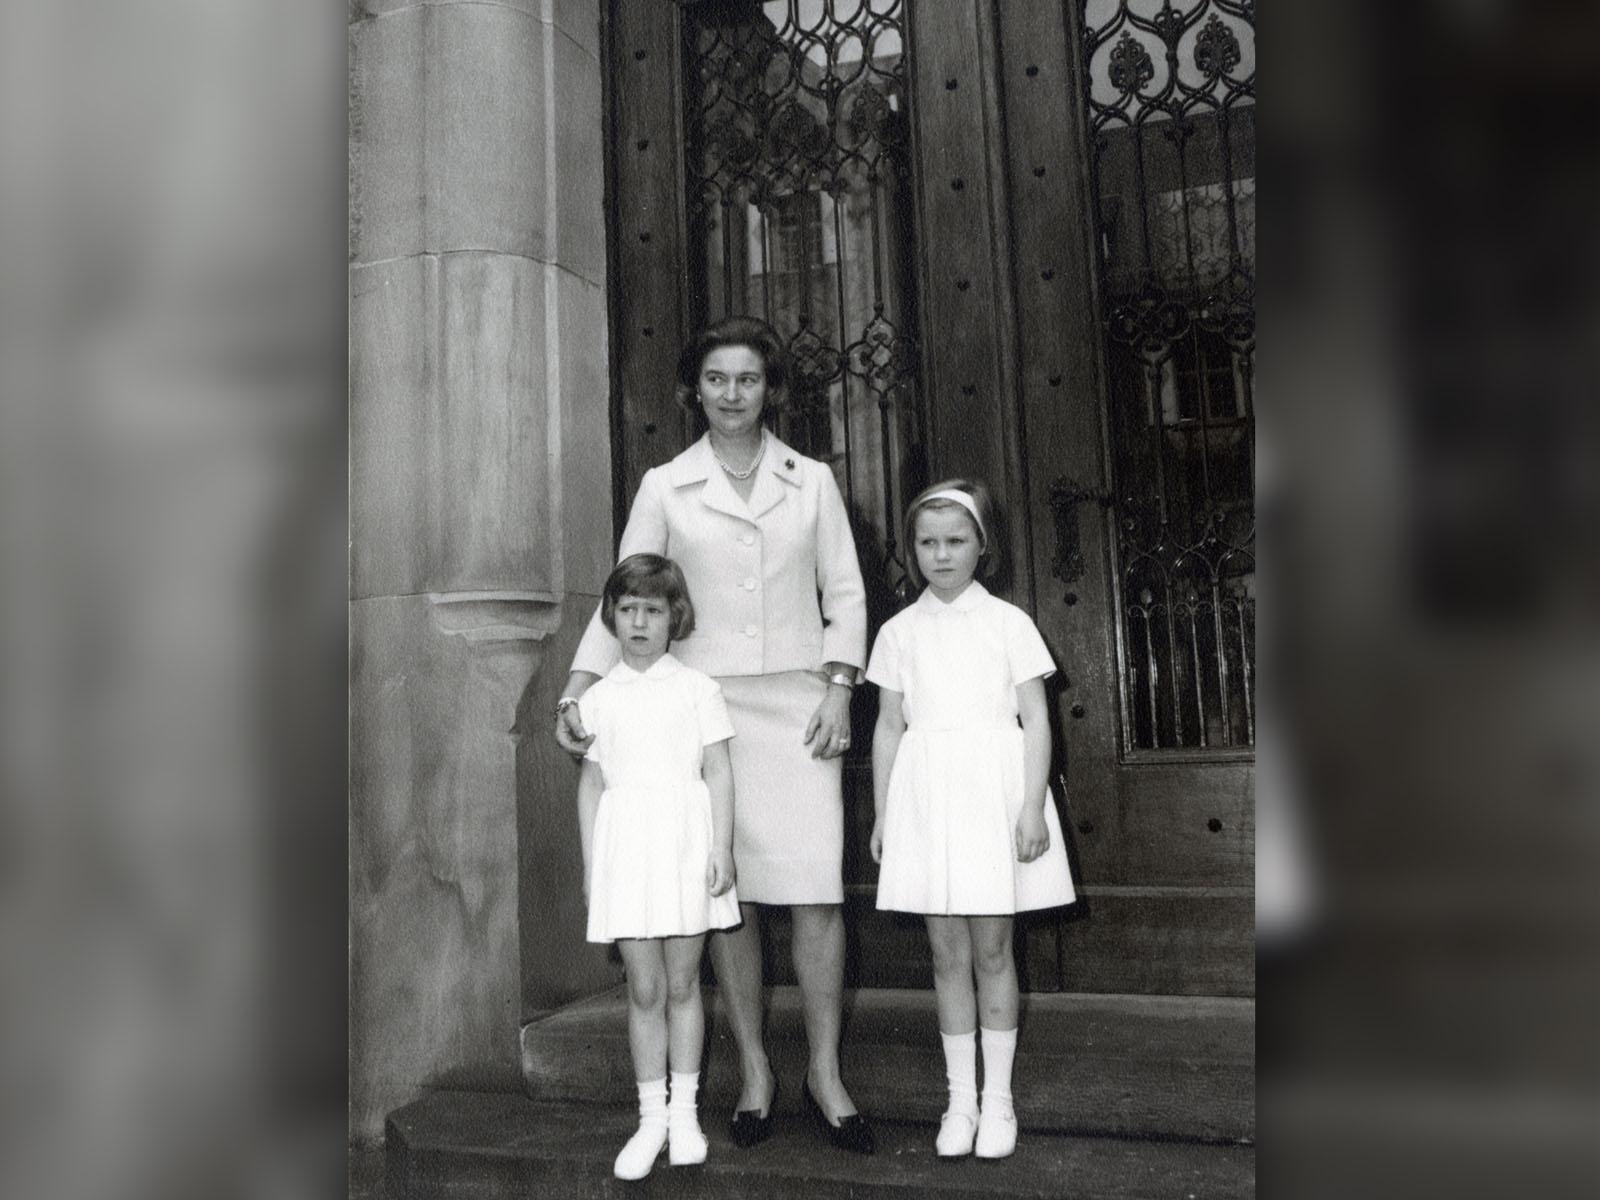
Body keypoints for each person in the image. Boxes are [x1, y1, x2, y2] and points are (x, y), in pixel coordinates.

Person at [555, 316, 874, 1154]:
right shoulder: (665, 485)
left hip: (802, 707)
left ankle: (827, 1070)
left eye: (750, 379)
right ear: (693, 390)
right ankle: (758, 1071)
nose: (734, 394)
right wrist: (580, 690)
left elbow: (845, 592)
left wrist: (840, 689)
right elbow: (622, 592)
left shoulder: (813, 482)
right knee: (726, 901)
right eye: (718, 379)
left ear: (772, 389)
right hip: (702, 717)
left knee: (813, 893)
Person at [866, 479, 1075, 1160]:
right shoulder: (898, 632)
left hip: (994, 789)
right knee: (946, 953)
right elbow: (890, 726)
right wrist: (885, 810)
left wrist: (1031, 803)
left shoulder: (1008, 623)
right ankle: (960, 1100)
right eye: (927, 542)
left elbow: (1037, 719)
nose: (941, 554)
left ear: (984, 547)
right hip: (928, 796)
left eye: (956, 541)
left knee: (992, 949)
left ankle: (999, 1101)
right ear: (912, 549)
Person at [574, 554, 740, 1180]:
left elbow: (718, 771)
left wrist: (721, 848)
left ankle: (685, 1116)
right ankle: (650, 1118)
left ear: (676, 617)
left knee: (681, 984)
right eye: (627, 609)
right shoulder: (596, 698)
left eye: (653, 609)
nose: (640, 621)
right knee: (643, 989)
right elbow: (591, 786)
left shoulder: (698, 690)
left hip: (684, 845)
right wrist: (594, 867)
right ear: (612, 617)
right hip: (627, 849)